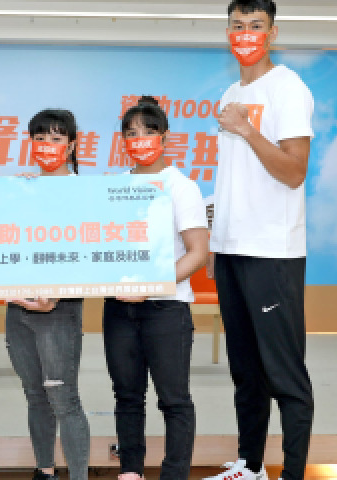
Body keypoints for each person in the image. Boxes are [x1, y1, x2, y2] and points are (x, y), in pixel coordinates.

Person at [205, 1, 315, 480]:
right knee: (245, 372)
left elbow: (294, 171)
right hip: (232, 249)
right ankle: (250, 467)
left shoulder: (288, 87)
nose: (245, 33)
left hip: (272, 253)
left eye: (256, 25)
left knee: (284, 374)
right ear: (227, 31)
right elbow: (236, 178)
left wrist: (247, 129)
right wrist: (216, 237)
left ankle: (292, 473)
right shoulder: (232, 91)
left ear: (272, 33)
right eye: (238, 25)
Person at [103, 96, 210, 480]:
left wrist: (151, 286)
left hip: (166, 308)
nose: (140, 140)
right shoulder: (114, 187)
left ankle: (174, 474)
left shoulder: (181, 187)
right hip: (119, 308)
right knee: (127, 397)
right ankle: (131, 470)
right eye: (131, 133)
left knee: (174, 400)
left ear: (165, 138)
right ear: (123, 141)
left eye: (148, 132)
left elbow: (198, 253)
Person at [5, 109, 90, 480]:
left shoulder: (85, 192)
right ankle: (45, 471)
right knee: (35, 395)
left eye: (56, 139)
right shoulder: (21, 189)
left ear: (71, 145)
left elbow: (89, 253)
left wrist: (56, 294)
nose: (47, 146)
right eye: (39, 138)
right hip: (18, 309)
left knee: (63, 398)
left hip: (59, 312)